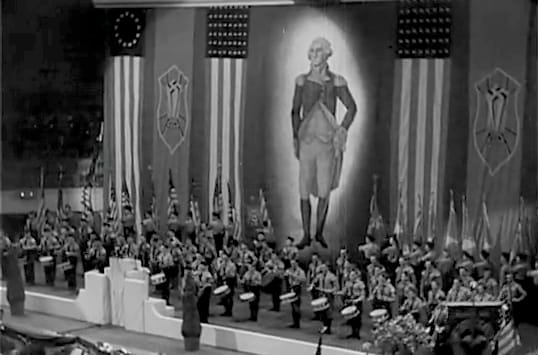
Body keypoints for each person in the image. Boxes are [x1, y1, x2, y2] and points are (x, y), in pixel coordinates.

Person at [291, 37, 357, 249]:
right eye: (312, 50)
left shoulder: (337, 81)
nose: (314, 54)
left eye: (319, 50)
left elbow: (351, 108)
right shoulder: (301, 80)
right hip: (308, 142)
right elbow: (294, 111)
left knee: (323, 189)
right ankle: (305, 234)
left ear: (327, 54)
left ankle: (318, 232)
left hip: (327, 144)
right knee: (303, 187)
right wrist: (295, 136)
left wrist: (342, 130)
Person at [286, 259, 306, 328]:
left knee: (296, 305)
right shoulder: (290, 270)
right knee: (292, 305)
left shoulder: (300, 271)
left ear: (296, 264)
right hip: (291, 287)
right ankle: (294, 322)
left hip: (297, 288)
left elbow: (303, 279)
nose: (292, 265)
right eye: (291, 264)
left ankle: (297, 323)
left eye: (293, 264)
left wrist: (293, 276)